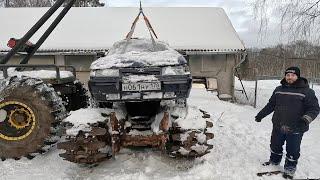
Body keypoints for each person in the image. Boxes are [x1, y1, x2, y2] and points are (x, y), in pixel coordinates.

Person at [255, 66, 320, 179]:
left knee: (292, 149)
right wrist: (261, 114)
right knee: (275, 145)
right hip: (278, 124)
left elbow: (314, 109)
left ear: (297, 76)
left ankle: (290, 168)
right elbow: (271, 105)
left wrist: (305, 119)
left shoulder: (307, 91)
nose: (290, 77)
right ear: (285, 76)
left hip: (296, 127)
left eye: (293, 75)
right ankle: (274, 161)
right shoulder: (279, 89)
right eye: (288, 75)